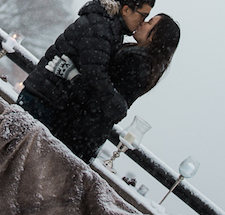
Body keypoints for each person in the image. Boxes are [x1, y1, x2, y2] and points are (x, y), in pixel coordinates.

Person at [17, 0, 155, 146]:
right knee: (16, 153)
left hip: (48, 99)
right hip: (44, 101)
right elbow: (95, 75)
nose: (143, 22)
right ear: (126, 10)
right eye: (143, 16)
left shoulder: (109, 27)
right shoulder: (102, 27)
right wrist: (116, 105)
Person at [51, 12, 181, 161]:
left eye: (149, 22)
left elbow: (103, 97)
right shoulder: (141, 61)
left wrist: (74, 77)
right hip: (85, 132)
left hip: (79, 130)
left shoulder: (137, 63)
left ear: (155, 36)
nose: (143, 23)